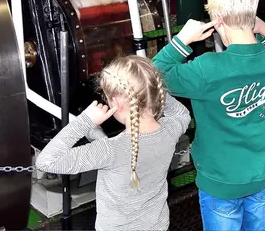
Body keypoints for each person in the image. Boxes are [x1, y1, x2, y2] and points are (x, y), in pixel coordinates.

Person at [153, 0, 265, 231]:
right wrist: (264, 29)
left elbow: (152, 75)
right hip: (261, 180)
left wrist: (182, 39)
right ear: (252, 14)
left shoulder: (207, 69)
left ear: (217, 19)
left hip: (219, 185)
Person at [35, 56, 191, 230]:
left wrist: (85, 121)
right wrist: (150, 88)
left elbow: (46, 162)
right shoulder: (170, 130)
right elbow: (182, 114)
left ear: (116, 103)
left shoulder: (109, 150)